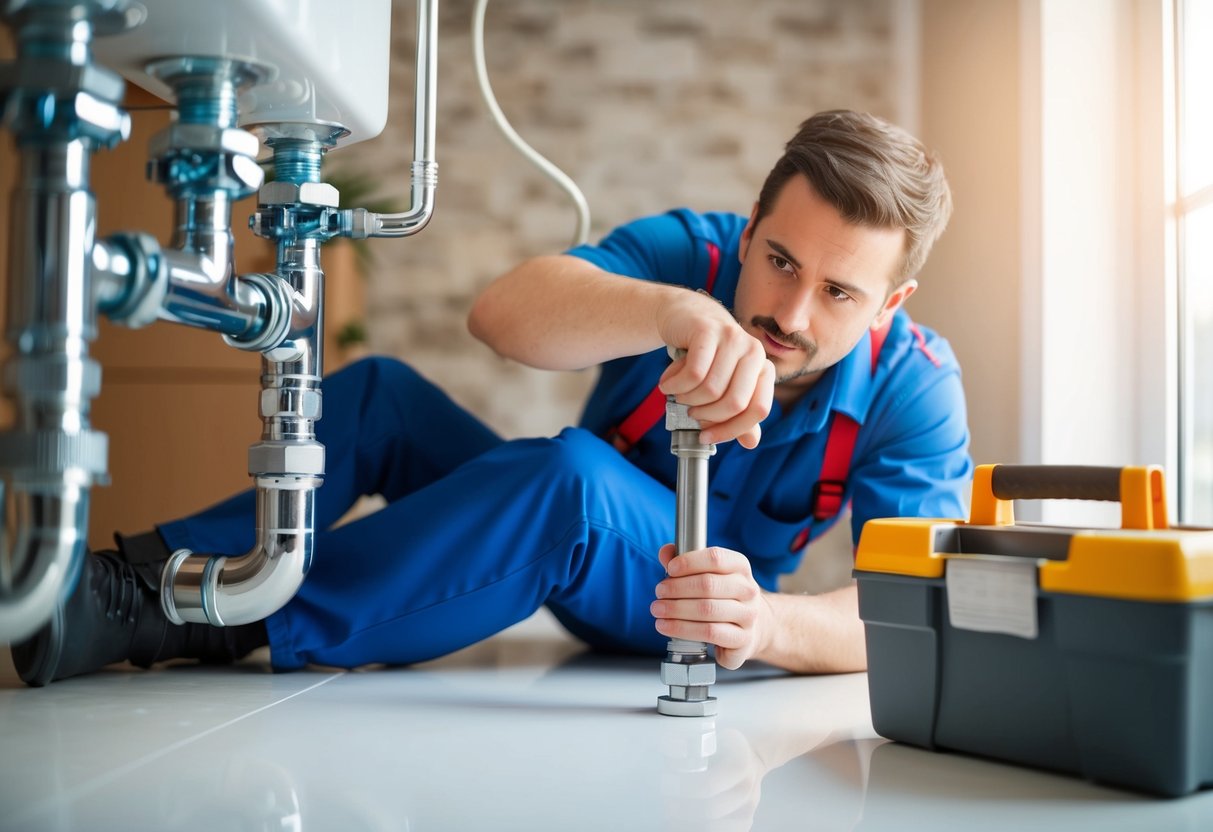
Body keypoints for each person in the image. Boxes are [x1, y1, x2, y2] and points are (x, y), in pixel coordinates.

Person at [11, 109, 972, 686]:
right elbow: (502, 317)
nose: (789, 310)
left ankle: (216, 618)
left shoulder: (913, 388)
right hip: (586, 518)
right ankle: (146, 578)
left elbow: (908, 609)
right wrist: (669, 308)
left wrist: (764, 621)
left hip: (689, 601)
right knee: (380, 393)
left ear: (892, 303)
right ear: (753, 223)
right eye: (778, 260)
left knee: (572, 479)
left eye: (839, 293)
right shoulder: (696, 255)